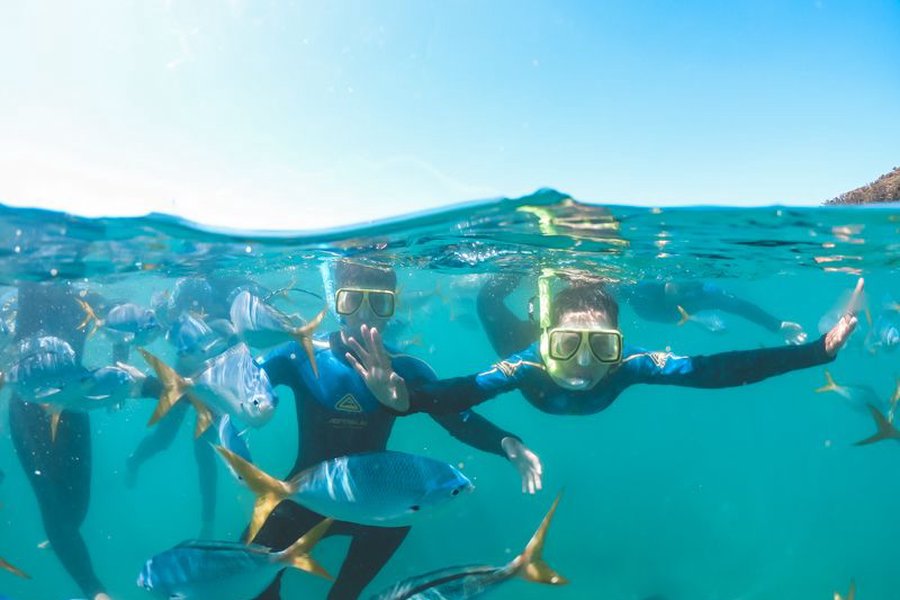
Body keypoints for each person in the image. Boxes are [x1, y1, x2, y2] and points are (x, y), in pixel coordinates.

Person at [248, 260, 542, 600]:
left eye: (380, 303)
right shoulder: (301, 355)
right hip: (302, 497)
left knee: (344, 596)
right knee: (256, 583)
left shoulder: (406, 369)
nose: (365, 315)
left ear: (392, 310)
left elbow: (455, 417)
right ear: (336, 304)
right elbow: (240, 384)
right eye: (352, 301)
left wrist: (506, 443)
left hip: (384, 502)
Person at [346, 272, 862, 419]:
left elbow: (718, 369)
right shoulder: (526, 365)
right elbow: (459, 392)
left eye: (603, 347)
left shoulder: (631, 365)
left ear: (622, 345)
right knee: (487, 304)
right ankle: (517, 275)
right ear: (546, 341)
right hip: (532, 334)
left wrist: (817, 352)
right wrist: (405, 401)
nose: (585, 364)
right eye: (568, 344)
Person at [8, 280, 112, 600]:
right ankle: (94, 590)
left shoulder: (84, 298)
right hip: (27, 409)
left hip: (72, 401)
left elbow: (120, 321)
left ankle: (61, 540)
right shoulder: (24, 294)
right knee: (52, 502)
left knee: (79, 501)